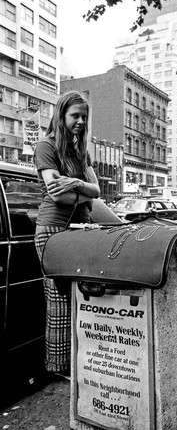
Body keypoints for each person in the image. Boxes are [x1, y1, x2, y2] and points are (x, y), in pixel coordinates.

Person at [34, 91, 100, 376]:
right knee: (59, 301)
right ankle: (59, 368)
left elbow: (97, 192)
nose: (81, 121)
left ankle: (79, 364)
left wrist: (73, 182)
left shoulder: (79, 151)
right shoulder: (46, 147)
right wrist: (83, 189)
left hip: (77, 230)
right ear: (61, 116)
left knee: (80, 299)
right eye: (75, 116)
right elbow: (57, 196)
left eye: (84, 116)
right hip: (52, 230)